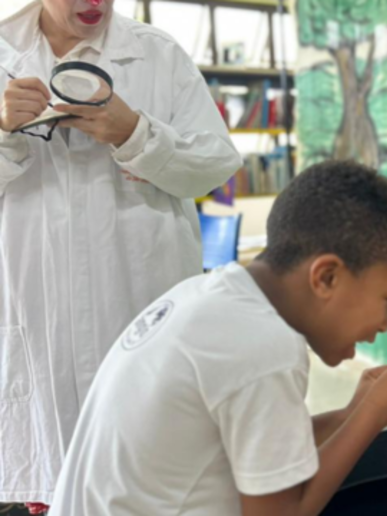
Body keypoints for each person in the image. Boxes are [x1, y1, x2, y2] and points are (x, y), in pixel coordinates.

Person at [48, 160, 387, 516]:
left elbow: (262, 448)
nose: (386, 323)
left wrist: (351, 411)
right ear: (326, 277)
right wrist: (374, 415)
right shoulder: (263, 345)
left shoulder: (209, 298)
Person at [0, 0, 242, 507]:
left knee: (153, 483)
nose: (95, 4)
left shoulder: (156, 55)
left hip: (138, 303)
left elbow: (216, 163)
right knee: (56, 480)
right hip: (35, 313)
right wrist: (3, 134)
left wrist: (136, 133)